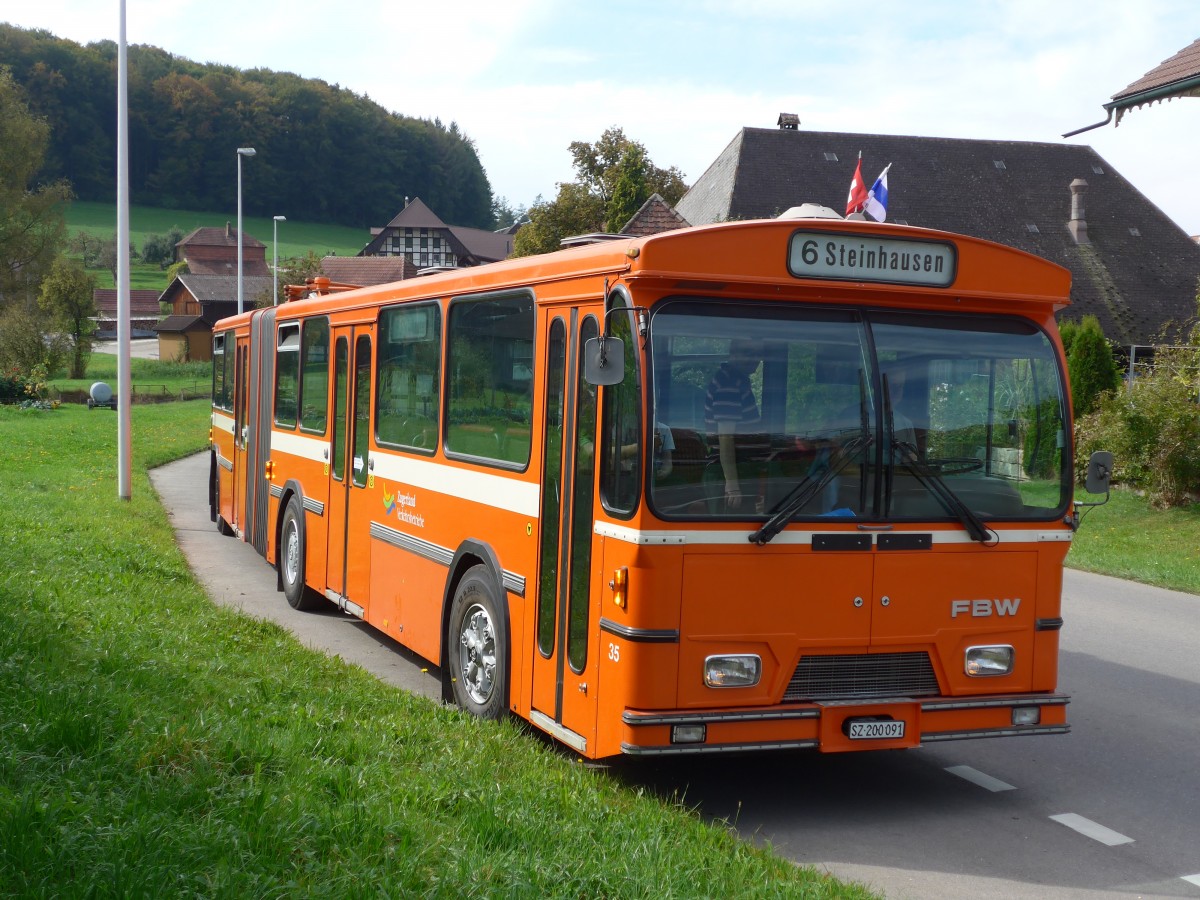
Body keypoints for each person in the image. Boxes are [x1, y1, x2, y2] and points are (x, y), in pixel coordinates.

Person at [704, 338, 766, 510]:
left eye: (758, 354)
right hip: (732, 475)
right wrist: (732, 486)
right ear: (733, 353)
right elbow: (725, 438)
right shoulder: (728, 385)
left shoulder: (737, 381)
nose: (755, 359)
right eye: (748, 353)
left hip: (739, 471)